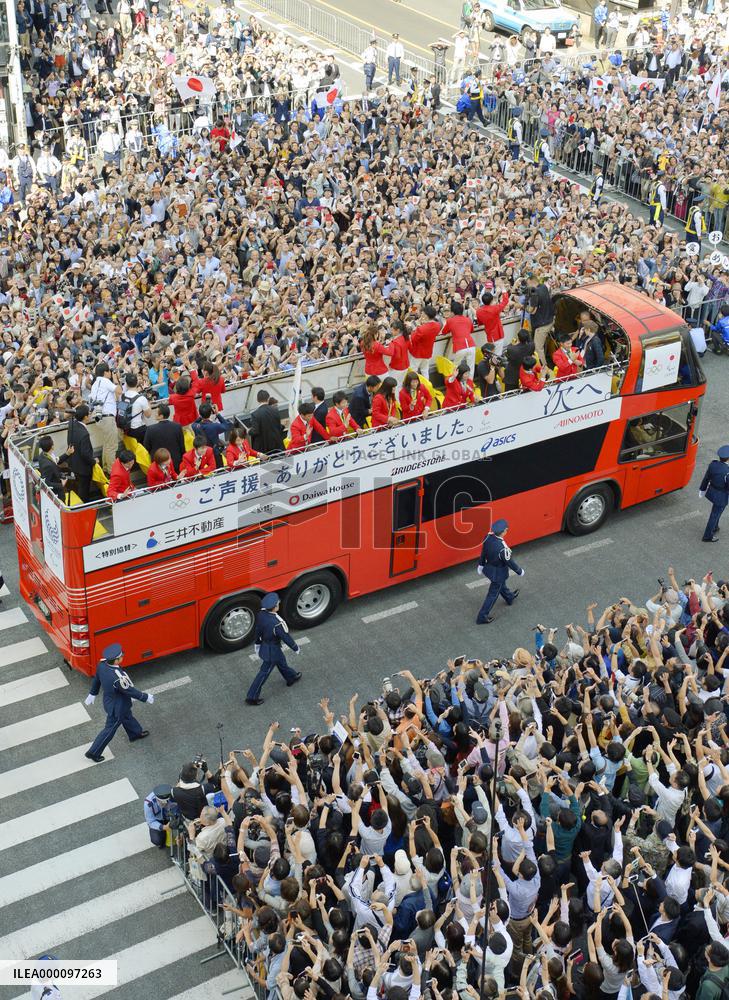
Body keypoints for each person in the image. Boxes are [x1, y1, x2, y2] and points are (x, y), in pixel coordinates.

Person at [84, 642, 154, 762]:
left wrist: (93, 693)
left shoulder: (102, 665)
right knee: (110, 729)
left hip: (111, 701)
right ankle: (94, 752)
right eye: (121, 656)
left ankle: (135, 733)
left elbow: (97, 679)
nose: (123, 657)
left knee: (127, 716)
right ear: (116, 661)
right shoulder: (117, 678)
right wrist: (145, 697)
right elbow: (129, 690)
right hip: (118, 706)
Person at [246, 592, 301, 706]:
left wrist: (257, 643)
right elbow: (285, 637)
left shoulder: (261, 614)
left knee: (281, 662)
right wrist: (295, 648)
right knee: (263, 673)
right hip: (272, 651)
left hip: (266, 646)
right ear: (275, 607)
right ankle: (252, 696)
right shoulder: (276, 623)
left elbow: (258, 630)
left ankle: (291, 677)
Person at [475, 518, 524, 624]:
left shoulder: (487, 537)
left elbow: (484, 552)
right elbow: (509, 562)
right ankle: (482, 616)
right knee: (492, 594)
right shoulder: (502, 549)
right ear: (504, 531)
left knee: (500, 586)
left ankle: (509, 597)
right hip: (498, 574)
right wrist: (519, 571)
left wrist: (481, 564)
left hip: (489, 569)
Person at [89, 362, 121, 473]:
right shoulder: (106, 381)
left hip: (99, 417)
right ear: (105, 372)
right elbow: (119, 391)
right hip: (107, 417)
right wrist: (116, 379)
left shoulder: (94, 384)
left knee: (107, 444)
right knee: (112, 446)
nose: (110, 373)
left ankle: (107, 469)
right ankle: (113, 472)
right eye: (109, 372)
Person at [66, 405, 97, 503]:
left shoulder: (72, 423)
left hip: (73, 462)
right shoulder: (84, 434)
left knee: (79, 486)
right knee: (83, 490)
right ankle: (83, 507)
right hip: (83, 468)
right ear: (85, 417)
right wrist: (94, 461)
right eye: (89, 413)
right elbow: (85, 454)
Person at [699, 445, 729, 543]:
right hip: (720, 497)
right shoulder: (727, 472)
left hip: (711, 492)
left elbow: (706, 478)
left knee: (716, 513)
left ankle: (715, 527)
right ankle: (707, 536)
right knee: (714, 515)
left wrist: (702, 490)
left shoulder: (713, 464)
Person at [143, 404, 186, 472]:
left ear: (161, 416)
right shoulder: (177, 426)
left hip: (159, 463)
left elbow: (146, 446)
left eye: (156, 413)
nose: (154, 414)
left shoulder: (150, 429)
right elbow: (182, 446)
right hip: (176, 462)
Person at [526, 275, 554, 369]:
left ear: (530, 281)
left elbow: (532, 310)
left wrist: (524, 307)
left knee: (538, 348)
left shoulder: (535, 294)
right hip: (549, 320)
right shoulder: (543, 287)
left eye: (527, 283)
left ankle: (544, 369)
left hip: (542, 325)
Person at [442, 302, 476, 376]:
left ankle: (454, 383)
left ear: (453, 312)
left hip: (460, 346)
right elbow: (471, 330)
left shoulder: (450, 321)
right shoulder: (468, 319)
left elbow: (444, 332)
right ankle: (469, 385)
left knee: (455, 367)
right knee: (471, 367)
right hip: (471, 345)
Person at [37, 434, 73, 500]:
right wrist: (61, 484)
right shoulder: (48, 465)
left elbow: (56, 460)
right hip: (56, 495)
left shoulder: (43, 455)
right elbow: (46, 483)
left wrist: (67, 453)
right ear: (52, 447)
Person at [476, 288, 510, 356]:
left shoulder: (478, 311)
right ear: (491, 301)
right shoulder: (495, 308)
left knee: (491, 355)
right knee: (497, 356)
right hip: (498, 335)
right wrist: (503, 289)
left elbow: (480, 323)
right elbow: (505, 301)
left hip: (489, 335)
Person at [409, 305, 440, 376]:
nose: (421, 315)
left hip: (418, 353)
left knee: (413, 371)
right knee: (425, 370)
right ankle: (427, 386)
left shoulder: (422, 328)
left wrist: (415, 328)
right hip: (428, 352)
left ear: (426, 315)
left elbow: (413, 339)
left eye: (422, 313)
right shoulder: (437, 325)